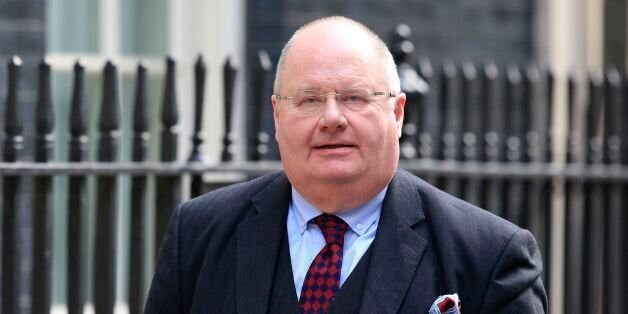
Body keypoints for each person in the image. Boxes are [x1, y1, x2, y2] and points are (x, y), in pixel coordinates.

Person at [145, 16, 547, 313]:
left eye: (355, 97)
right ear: (277, 115)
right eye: (309, 99)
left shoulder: (489, 257)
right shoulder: (198, 234)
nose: (332, 118)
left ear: (397, 113)